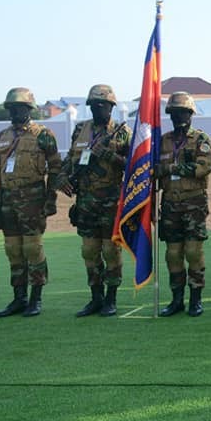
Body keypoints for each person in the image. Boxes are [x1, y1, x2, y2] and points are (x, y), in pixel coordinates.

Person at [56, 84, 131, 317]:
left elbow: (134, 166)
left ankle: (111, 298)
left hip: (110, 202)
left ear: (111, 106)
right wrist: (61, 178)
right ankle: (95, 298)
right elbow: (70, 159)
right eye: (94, 105)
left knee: (110, 251)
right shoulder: (81, 130)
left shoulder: (122, 132)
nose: (98, 109)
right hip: (86, 202)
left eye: (103, 105)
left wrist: (108, 154)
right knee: (89, 251)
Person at [0, 87, 61, 317]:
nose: (14, 112)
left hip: (33, 200)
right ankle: (18, 298)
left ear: (29, 109)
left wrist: (51, 200)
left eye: (18, 108)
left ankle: (35, 299)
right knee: (13, 250)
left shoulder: (43, 134)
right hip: (7, 201)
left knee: (32, 248)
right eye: (11, 108)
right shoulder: (3, 136)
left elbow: (56, 170)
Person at [156, 92, 211, 317]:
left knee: (193, 252)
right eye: (174, 113)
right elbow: (154, 171)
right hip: (170, 203)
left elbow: (202, 168)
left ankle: (196, 299)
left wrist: (171, 168)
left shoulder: (201, 140)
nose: (178, 117)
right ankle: (176, 299)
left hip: (194, 204)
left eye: (182, 112)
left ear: (191, 114)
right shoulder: (163, 141)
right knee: (173, 254)